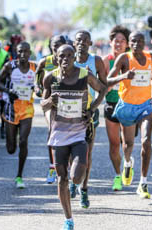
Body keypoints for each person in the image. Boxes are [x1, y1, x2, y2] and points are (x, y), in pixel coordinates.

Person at [41, 44, 107, 230]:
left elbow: (102, 89)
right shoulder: (50, 77)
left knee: (76, 176)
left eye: (70, 55)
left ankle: (75, 184)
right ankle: (68, 219)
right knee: (61, 178)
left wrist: (92, 109)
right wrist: (49, 111)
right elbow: (43, 106)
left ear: (74, 58)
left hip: (79, 131)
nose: (66, 59)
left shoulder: (84, 74)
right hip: (58, 133)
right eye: (62, 55)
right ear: (56, 56)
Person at [107, 31, 152, 199]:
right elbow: (108, 80)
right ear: (129, 43)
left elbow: (150, 72)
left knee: (146, 141)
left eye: (140, 41)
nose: (137, 44)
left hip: (145, 105)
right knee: (128, 144)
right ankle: (128, 162)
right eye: (133, 41)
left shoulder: (150, 56)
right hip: (127, 106)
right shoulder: (124, 58)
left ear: (144, 42)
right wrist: (124, 76)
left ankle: (143, 183)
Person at [69, 30, 107, 208]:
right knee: (70, 150)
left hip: (89, 112)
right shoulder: (67, 59)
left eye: (85, 40)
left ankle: (84, 188)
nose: (82, 43)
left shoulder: (96, 61)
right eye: (79, 40)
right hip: (69, 112)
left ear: (90, 44)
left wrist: (93, 107)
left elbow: (103, 87)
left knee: (87, 153)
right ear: (74, 43)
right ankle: (72, 181)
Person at [0, 42, 37, 189]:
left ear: (30, 52)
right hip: (11, 109)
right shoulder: (9, 66)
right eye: (20, 51)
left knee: (24, 141)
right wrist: (8, 92)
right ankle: (11, 145)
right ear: (16, 51)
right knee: (11, 148)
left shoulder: (35, 67)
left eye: (26, 52)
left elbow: (41, 86)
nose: (23, 55)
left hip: (27, 109)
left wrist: (36, 88)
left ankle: (19, 176)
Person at [35, 35, 66, 184]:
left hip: (67, 102)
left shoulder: (69, 61)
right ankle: (52, 167)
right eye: (54, 45)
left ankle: (66, 166)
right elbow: (37, 75)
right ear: (50, 46)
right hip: (49, 101)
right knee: (52, 131)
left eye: (60, 45)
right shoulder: (44, 62)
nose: (57, 47)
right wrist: (37, 87)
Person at [103, 25, 130, 191]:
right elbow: (101, 84)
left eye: (122, 41)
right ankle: (117, 175)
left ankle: (128, 164)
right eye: (116, 41)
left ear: (127, 43)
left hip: (129, 106)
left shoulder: (132, 59)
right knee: (114, 144)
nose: (118, 44)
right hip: (111, 104)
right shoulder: (106, 60)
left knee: (127, 143)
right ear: (110, 43)